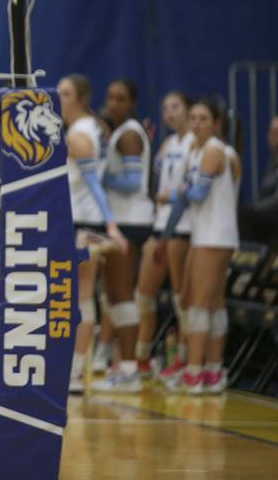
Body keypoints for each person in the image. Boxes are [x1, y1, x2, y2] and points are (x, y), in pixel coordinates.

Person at [160, 99, 240, 394]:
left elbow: (198, 193)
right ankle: (213, 370)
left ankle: (194, 371)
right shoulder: (196, 150)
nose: (196, 123)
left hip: (216, 235)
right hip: (203, 233)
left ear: (216, 122)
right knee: (210, 303)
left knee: (198, 303)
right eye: (192, 117)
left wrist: (174, 193)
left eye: (203, 118)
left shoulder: (216, 150)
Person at [57, 74, 127, 395]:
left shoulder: (81, 134)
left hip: (82, 223)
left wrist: (110, 224)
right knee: (75, 296)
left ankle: (73, 371)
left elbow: (96, 185)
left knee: (79, 296)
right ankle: (71, 369)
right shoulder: (88, 128)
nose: (60, 98)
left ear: (81, 98)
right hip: (79, 220)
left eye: (67, 93)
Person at [92, 78, 154, 393]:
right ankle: (123, 366)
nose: (113, 103)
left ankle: (129, 370)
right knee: (114, 295)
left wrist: (97, 176)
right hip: (123, 220)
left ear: (132, 102)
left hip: (130, 222)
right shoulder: (120, 131)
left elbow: (132, 182)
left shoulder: (129, 133)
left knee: (121, 295)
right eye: (110, 96)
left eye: (120, 98)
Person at [133, 92, 194, 380]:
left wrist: (167, 232)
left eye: (175, 107)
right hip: (159, 226)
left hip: (182, 229)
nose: (169, 112)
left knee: (182, 300)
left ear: (188, 110)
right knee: (143, 296)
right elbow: (153, 183)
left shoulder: (197, 144)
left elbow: (185, 193)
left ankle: (183, 361)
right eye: (164, 107)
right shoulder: (168, 143)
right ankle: (142, 359)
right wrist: (146, 146)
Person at [239, 116, 278, 248]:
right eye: (271, 132)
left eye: (277, 132)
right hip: (268, 214)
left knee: (245, 215)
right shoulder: (273, 158)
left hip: (273, 215)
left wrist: (256, 208)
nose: (273, 136)